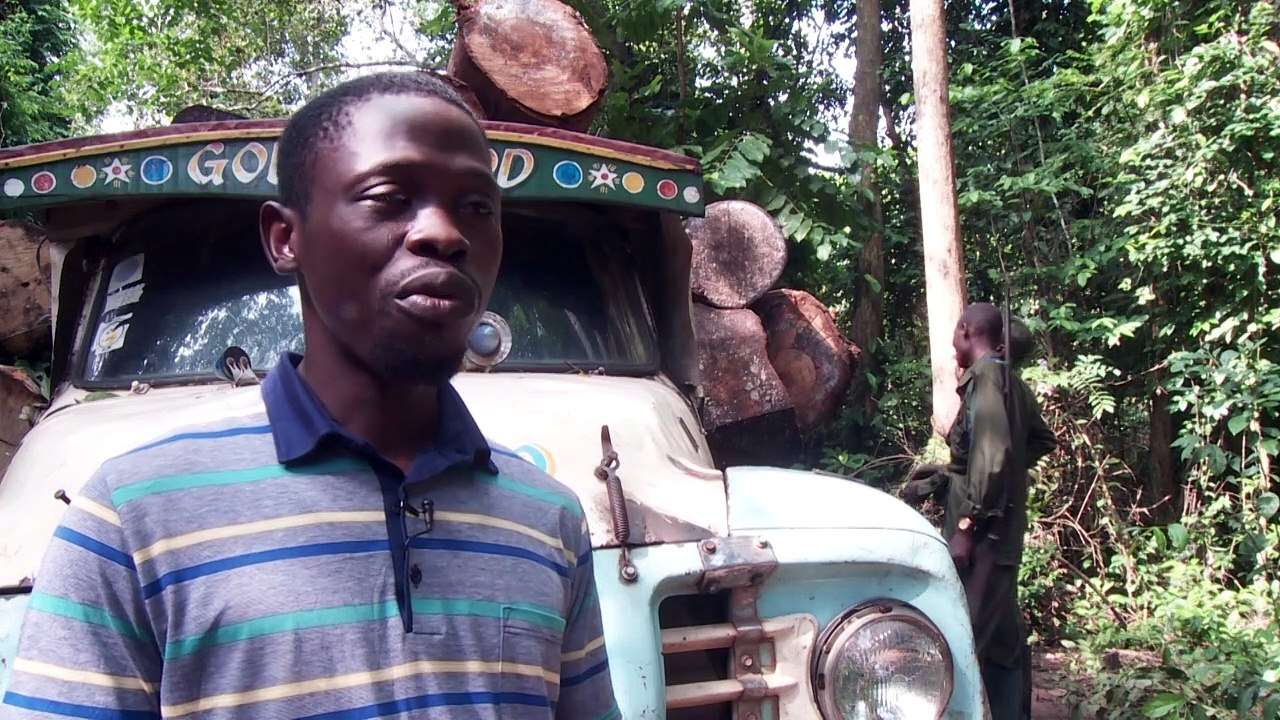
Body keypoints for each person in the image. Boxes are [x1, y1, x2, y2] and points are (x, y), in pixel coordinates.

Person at [1, 71, 619, 719]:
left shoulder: (548, 517)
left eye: (477, 208)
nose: (444, 233)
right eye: (389, 197)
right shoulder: (132, 516)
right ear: (284, 238)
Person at [903, 303, 1056, 720]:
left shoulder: (988, 378)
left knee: (962, 635)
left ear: (967, 331)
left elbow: (994, 456)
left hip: (985, 536)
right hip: (1001, 533)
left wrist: (966, 527)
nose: (952, 346)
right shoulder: (1010, 382)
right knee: (1004, 642)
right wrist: (957, 475)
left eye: (955, 335)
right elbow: (1035, 442)